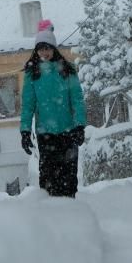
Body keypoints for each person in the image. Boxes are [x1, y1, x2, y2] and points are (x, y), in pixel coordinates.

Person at [19, 19, 86, 198]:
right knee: (48, 179)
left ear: (54, 48)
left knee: (69, 177)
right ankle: (51, 216)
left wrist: (80, 125)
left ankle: (71, 211)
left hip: (68, 132)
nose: (44, 52)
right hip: (45, 134)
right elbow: (27, 105)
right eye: (40, 49)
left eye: (47, 48)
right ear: (36, 51)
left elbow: (77, 99)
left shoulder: (66, 70)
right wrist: (25, 131)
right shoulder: (32, 73)